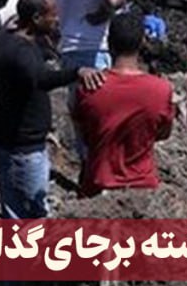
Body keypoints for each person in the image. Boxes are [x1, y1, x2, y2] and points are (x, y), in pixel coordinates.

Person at [0, 0, 104, 218]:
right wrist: (77, 71)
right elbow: (42, 79)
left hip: (4, 138)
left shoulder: (2, 40)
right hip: (23, 148)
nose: (57, 19)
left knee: (13, 209)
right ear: (37, 18)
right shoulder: (24, 53)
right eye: (53, 15)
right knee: (34, 211)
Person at [73, 13, 174, 197]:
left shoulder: (89, 87)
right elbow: (163, 133)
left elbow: (84, 136)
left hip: (98, 185)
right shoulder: (161, 89)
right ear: (142, 42)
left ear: (109, 43)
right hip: (143, 188)